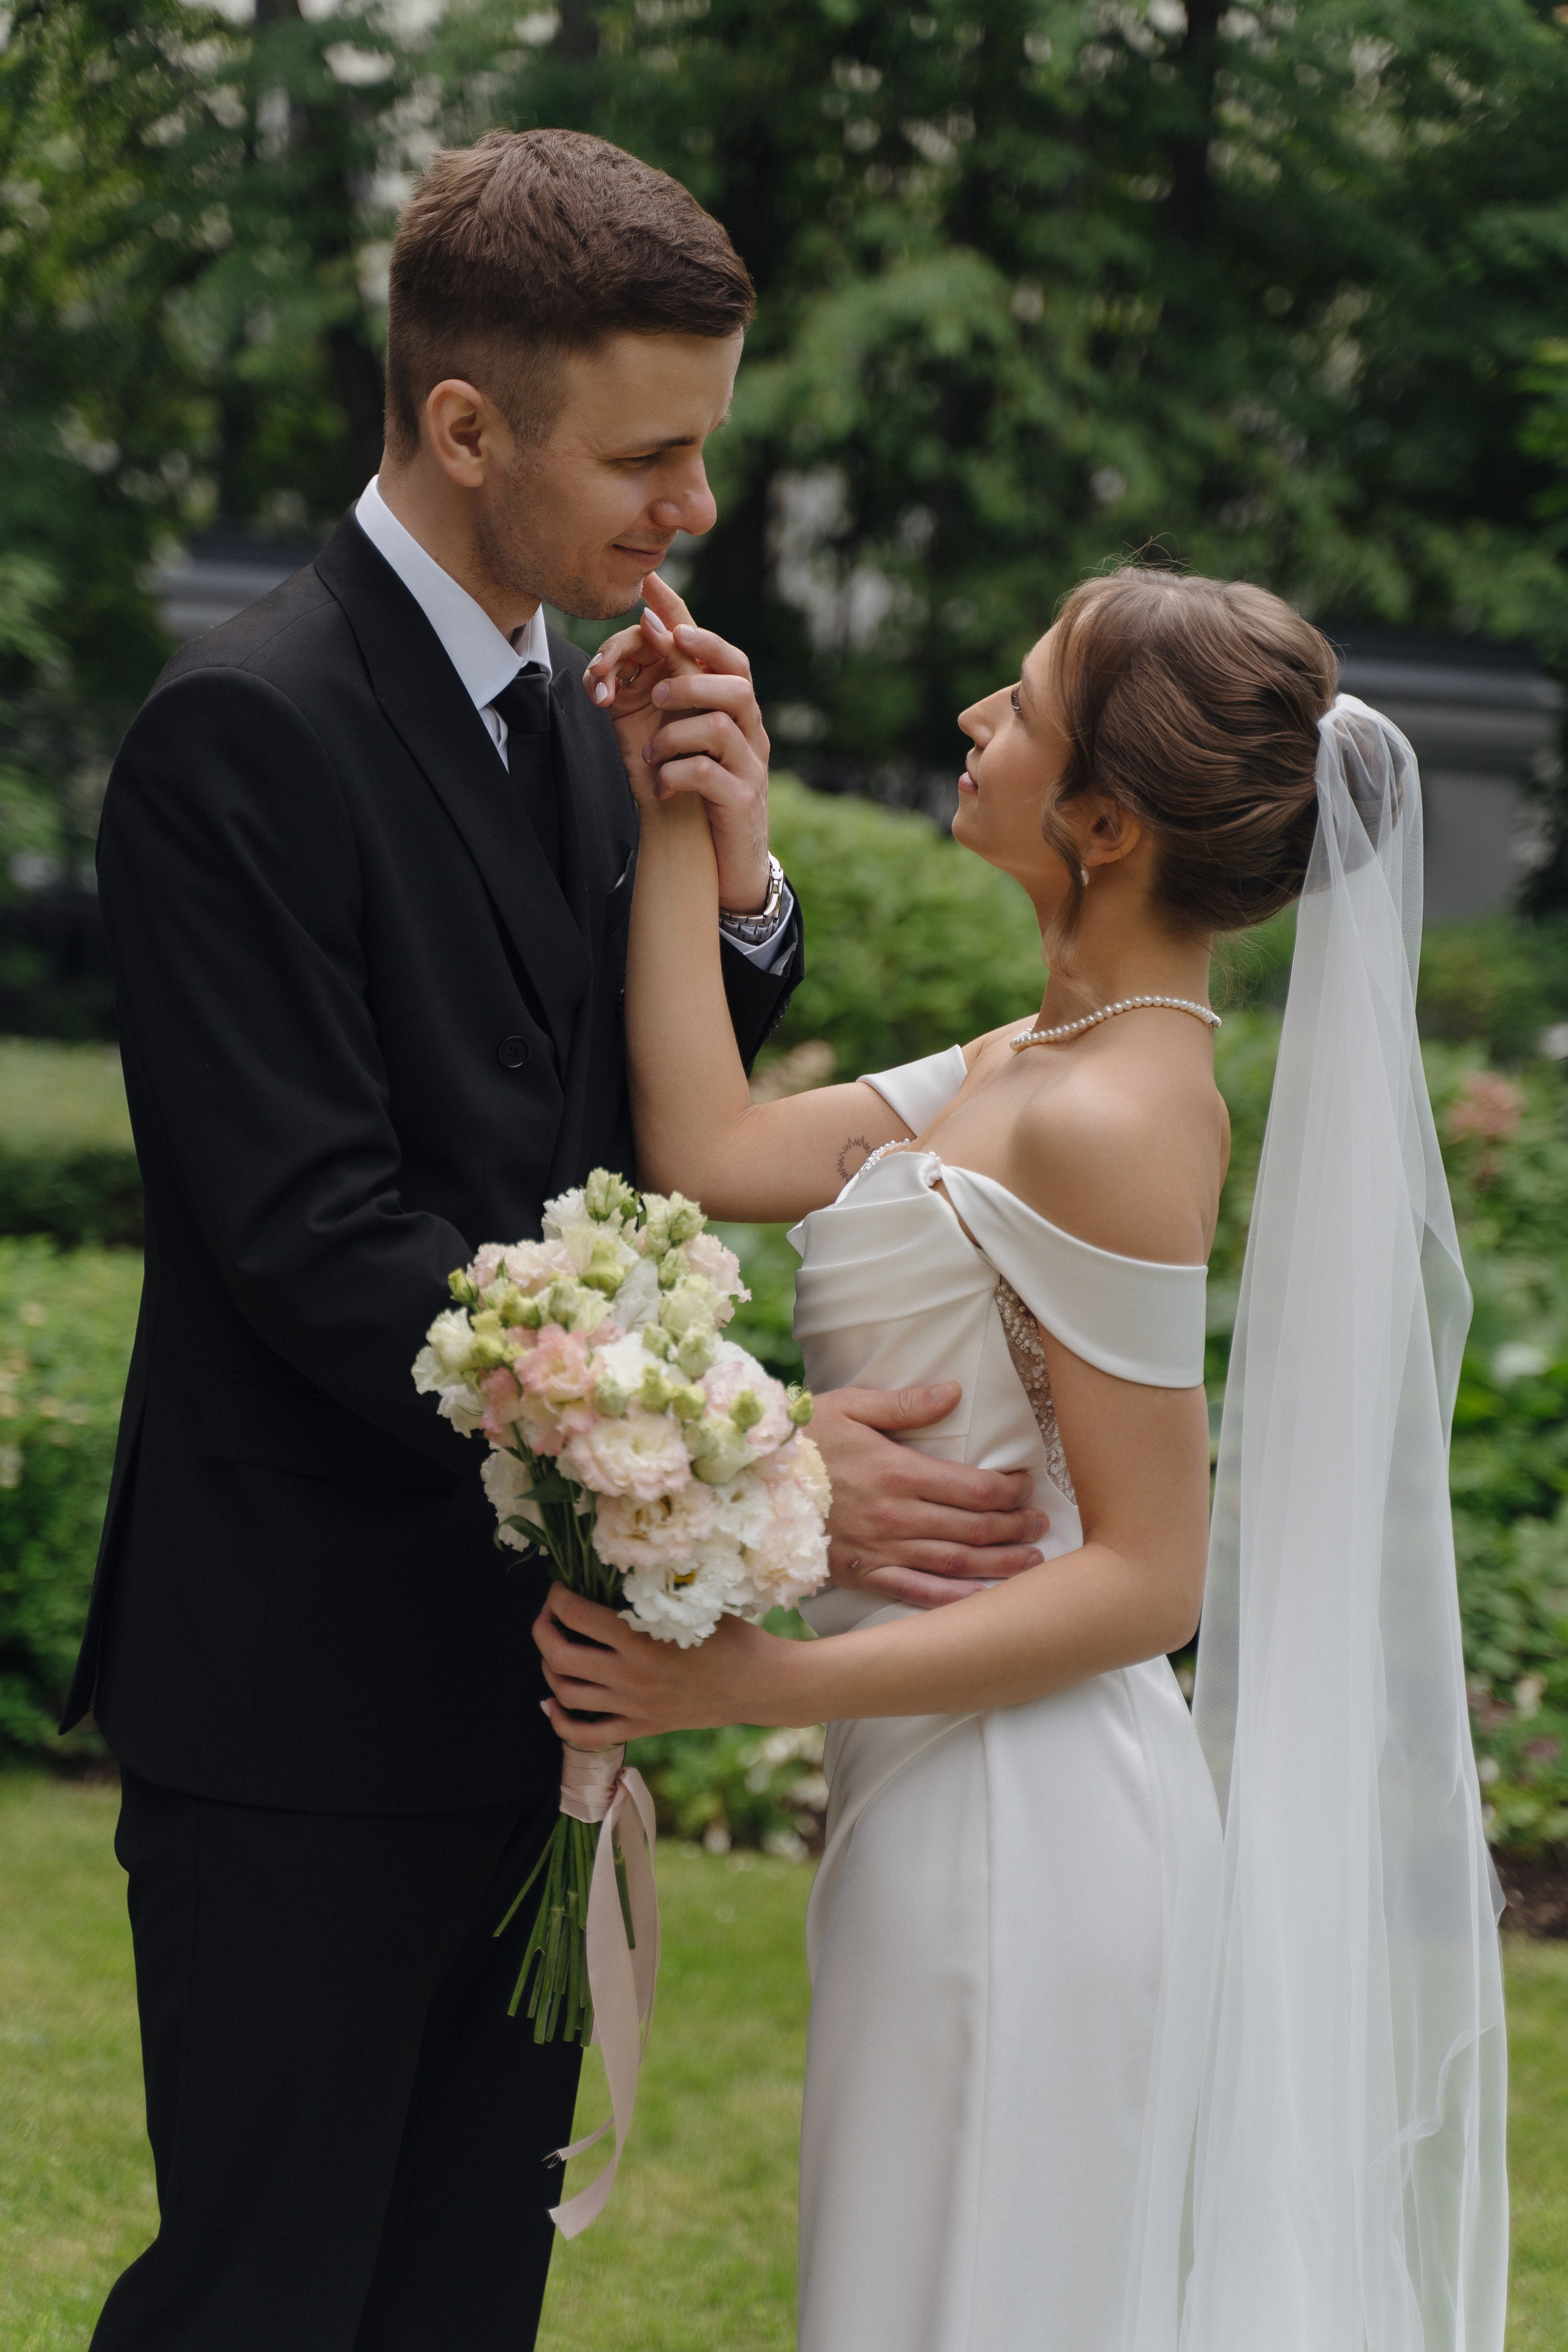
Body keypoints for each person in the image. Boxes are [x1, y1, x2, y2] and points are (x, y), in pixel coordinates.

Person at [62, 129, 1038, 2352]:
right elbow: (326, 1241)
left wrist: (738, 865)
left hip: (530, 1672)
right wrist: (747, 1463)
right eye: (652, 454)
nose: (694, 510)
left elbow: (605, 1122)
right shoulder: (244, 729)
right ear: (465, 423)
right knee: (264, 2296)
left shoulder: (574, 709)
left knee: (457, 2300)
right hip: (303, 1681)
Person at [537, 564, 1509, 2349]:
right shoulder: (1028, 1054)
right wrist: (690, 805)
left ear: (1107, 824)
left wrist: (744, 1689)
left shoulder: (1114, 1115)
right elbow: (713, 1142)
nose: (977, 720)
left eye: (1021, 706)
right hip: (935, 1801)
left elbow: (1149, 1578)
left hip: (1035, 1830)